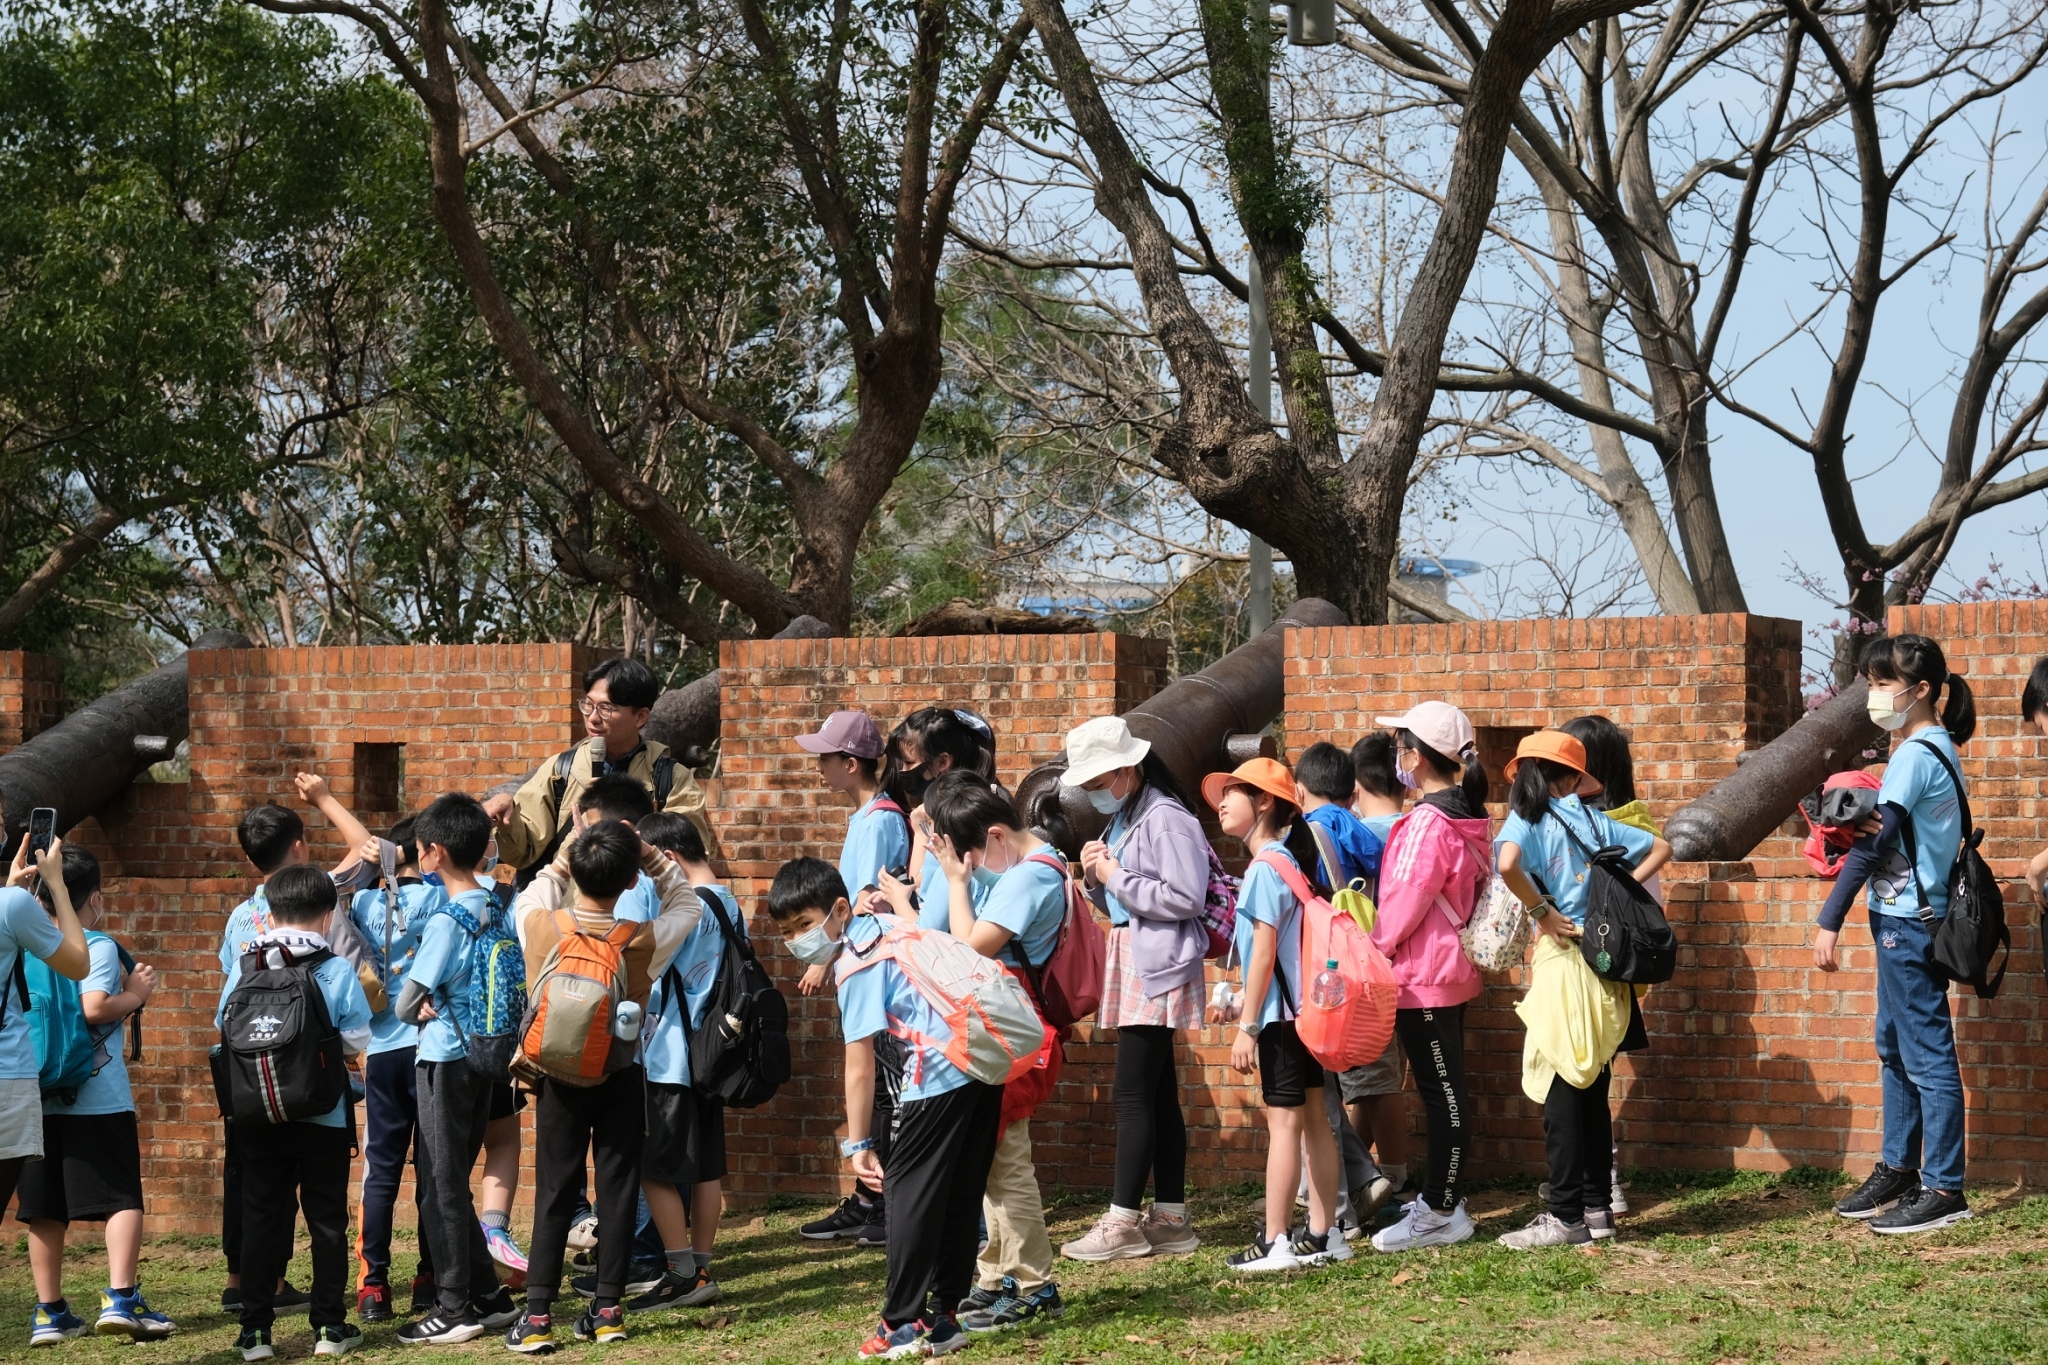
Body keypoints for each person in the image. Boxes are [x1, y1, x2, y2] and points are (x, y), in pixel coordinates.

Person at [768, 856, 999, 1359]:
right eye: (788, 931)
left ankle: (901, 1322)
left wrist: (859, 1144)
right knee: (960, 1193)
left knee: (906, 1197)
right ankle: (944, 1317)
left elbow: (859, 1064)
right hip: (979, 1063)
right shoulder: (890, 924)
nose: (798, 938)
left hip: (933, 1077)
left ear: (840, 909)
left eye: (806, 924)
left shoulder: (856, 961)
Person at [503, 819, 702, 1352]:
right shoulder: (640, 940)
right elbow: (689, 905)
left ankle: (538, 1317)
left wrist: (568, 851)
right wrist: (649, 856)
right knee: (617, 1190)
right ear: (630, 881)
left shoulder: (539, 925)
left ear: (575, 872)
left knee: (555, 1191)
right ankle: (608, 1310)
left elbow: (538, 884)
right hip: (620, 1071)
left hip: (557, 1077)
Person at [1815, 635, 1979, 1235]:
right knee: (1894, 1045)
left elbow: (1871, 846)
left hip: (1909, 922)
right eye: (1873, 681)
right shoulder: (1930, 747)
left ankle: (1943, 1187)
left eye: (1885, 683)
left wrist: (1828, 921)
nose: (1876, 694)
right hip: (1906, 917)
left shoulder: (1915, 755)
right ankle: (1900, 1166)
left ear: (1922, 690)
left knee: (1927, 1055)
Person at [1494, 731, 1670, 1250]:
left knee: (1562, 1092)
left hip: (1566, 961)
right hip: (1605, 967)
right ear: (1572, 778)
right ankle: (1597, 1211)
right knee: (1591, 1089)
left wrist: (1540, 912)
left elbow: (1506, 865)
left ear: (1527, 773)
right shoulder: (1595, 820)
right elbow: (1662, 846)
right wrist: (1618, 895)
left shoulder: (1528, 819)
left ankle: (1564, 1215)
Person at [218, 774, 374, 1315]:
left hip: (253, 1093)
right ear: (300, 848)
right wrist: (325, 796)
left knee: (259, 1202)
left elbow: (226, 1010)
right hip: (320, 1104)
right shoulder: (321, 907)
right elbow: (356, 1034)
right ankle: (329, 1323)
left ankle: (253, 1319)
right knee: (327, 1217)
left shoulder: (243, 922)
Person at [1056, 716, 1207, 1263]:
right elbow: (1124, 903)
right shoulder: (1130, 814)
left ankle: (1123, 1221)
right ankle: (1169, 1218)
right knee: (1158, 1094)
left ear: (1128, 768)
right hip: (1139, 956)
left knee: (1131, 1094)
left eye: (1099, 783)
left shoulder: (1164, 817)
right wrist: (1100, 881)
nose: (1095, 794)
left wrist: (1114, 875)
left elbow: (1186, 896)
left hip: (1157, 963)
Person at [920, 774, 1065, 1332]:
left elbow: (965, 951)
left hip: (1010, 1031)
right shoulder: (1039, 863)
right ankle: (998, 1273)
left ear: (997, 835)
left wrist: (956, 884)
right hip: (1007, 1028)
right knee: (992, 1160)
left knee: (1006, 1164)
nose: (973, 865)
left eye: (973, 855)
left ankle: (1034, 1283)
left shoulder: (1029, 878)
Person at [1204, 757, 1347, 1273]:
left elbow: (1263, 953)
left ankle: (1276, 1241)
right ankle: (1323, 1235)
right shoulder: (1290, 860)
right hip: (1305, 1014)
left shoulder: (1266, 867)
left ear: (1264, 802)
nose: (1221, 801)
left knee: (1284, 1125)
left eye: (1234, 792)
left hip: (1281, 1022)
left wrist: (1247, 1026)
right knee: (1314, 1121)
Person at [1363, 704, 1492, 1253]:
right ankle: (1443, 1199)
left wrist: (1374, 948)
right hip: (1446, 969)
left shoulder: (1425, 823)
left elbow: (1403, 899)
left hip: (1424, 974)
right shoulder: (1467, 815)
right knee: (1445, 1091)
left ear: (1415, 758)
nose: (1396, 757)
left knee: (1442, 1094)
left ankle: (1441, 1209)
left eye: (1399, 747)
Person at [392, 795, 519, 1343]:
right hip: (484, 1055)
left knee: (439, 1186)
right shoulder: (495, 903)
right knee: (450, 1183)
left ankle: (454, 1307)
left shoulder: (446, 919)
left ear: (434, 853)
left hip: (444, 1058)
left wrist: (414, 999)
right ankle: (488, 1296)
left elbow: (404, 1003)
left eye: (420, 849)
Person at [17, 847, 154, 1345]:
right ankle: (121, 1298)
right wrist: (136, 996)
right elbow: (93, 1007)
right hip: (97, 1098)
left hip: (36, 1094)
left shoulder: (22, 942)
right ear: (94, 897)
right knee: (120, 1195)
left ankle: (49, 1311)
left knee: (44, 1205)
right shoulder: (94, 944)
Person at [794, 709, 904, 1245]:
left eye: (826, 757)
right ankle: (869, 1199)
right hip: (858, 958)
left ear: (852, 763)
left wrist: (822, 957)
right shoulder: (866, 817)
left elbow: (865, 903)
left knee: (883, 1086)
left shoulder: (880, 819)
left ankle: (882, 1199)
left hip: (874, 965)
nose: (819, 767)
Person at [632, 810, 739, 1312]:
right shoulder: (727, 902)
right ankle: (699, 1266)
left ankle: (680, 1273)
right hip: (711, 1055)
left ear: (668, 860)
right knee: (705, 1169)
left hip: (672, 1055)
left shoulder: (688, 907)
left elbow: (648, 968)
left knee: (653, 1167)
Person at [484, 657, 712, 876]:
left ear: (641, 717)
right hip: (570, 909)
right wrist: (508, 819)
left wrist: (615, 825)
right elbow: (521, 853)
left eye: (606, 708)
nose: (592, 718)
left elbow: (688, 863)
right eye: (588, 705)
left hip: (641, 911)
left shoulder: (671, 779)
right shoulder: (561, 769)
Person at [1292, 741, 1391, 1229]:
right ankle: (1359, 1180)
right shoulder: (1365, 831)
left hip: (1319, 972)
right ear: (1350, 789)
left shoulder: (1306, 834)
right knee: (1325, 1086)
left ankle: (1334, 1209)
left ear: (1299, 787)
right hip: (1360, 965)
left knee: (1317, 1093)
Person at [347, 817, 442, 1323]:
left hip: (383, 1047)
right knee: (434, 1167)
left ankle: (373, 1286)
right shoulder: (440, 897)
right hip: (431, 1047)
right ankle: (429, 1276)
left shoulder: (362, 903)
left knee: (381, 1169)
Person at [1558, 714, 1653, 1217]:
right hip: (1616, 968)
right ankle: (1599, 1182)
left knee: (1581, 1081)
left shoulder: (1604, 826)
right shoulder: (1628, 820)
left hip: (1590, 963)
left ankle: (1598, 1184)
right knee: (1593, 1077)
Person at [1345, 732, 1411, 1208]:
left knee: (1374, 1083)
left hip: (1367, 976)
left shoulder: (1353, 836)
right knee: (1375, 1081)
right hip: (1416, 977)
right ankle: (1359, 1172)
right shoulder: (1415, 830)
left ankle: (1392, 1181)